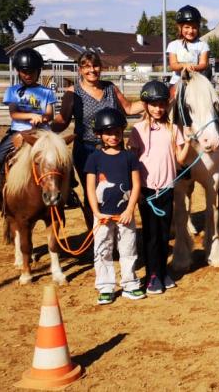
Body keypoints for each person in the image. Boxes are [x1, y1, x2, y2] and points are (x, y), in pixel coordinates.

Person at [52, 52, 143, 228]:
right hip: (87, 151)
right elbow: (62, 120)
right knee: (92, 192)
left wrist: (153, 101)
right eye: (86, 66)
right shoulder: (73, 93)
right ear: (80, 70)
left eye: (95, 66)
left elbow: (130, 108)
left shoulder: (110, 88)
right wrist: (43, 128)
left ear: (100, 67)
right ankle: (95, 233)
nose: (91, 70)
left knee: (119, 188)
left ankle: (119, 231)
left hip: (114, 149)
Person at [129, 81, 192, 295]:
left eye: (162, 104)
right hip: (147, 191)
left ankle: (163, 271)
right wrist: (135, 191)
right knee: (150, 234)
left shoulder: (174, 129)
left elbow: (180, 160)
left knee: (165, 234)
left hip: (166, 189)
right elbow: (133, 161)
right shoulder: (137, 130)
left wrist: (189, 143)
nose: (158, 109)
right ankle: (152, 275)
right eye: (153, 104)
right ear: (146, 105)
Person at [0, 48, 56, 207]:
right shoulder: (12, 91)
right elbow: (14, 114)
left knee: (61, 156)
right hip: (18, 131)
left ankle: (70, 188)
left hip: (42, 133)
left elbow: (50, 114)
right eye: (24, 71)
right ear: (18, 71)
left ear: (38, 71)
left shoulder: (46, 92)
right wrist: (31, 116)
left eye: (32, 71)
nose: (28, 74)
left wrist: (43, 118)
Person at [84, 108, 144, 305]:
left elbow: (136, 185)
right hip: (102, 215)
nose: (113, 137)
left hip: (124, 215)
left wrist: (129, 210)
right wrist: (96, 212)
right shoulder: (94, 158)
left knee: (128, 249)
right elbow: (90, 188)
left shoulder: (129, 157)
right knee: (103, 249)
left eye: (117, 132)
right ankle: (106, 286)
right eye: (108, 133)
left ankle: (130, 283)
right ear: (99, 134)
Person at [167, 5, 210, 91]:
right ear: (180, 28)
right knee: (168, 101)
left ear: (198, 28)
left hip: (197, 81)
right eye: (187, 27)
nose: (190, 31)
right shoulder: (173, 45)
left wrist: (193, 68)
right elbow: (173, 65)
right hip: (177, 82)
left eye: (194, 27)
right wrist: (185, 66)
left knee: (216, 100)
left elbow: (203, 64)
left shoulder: (203, 45)